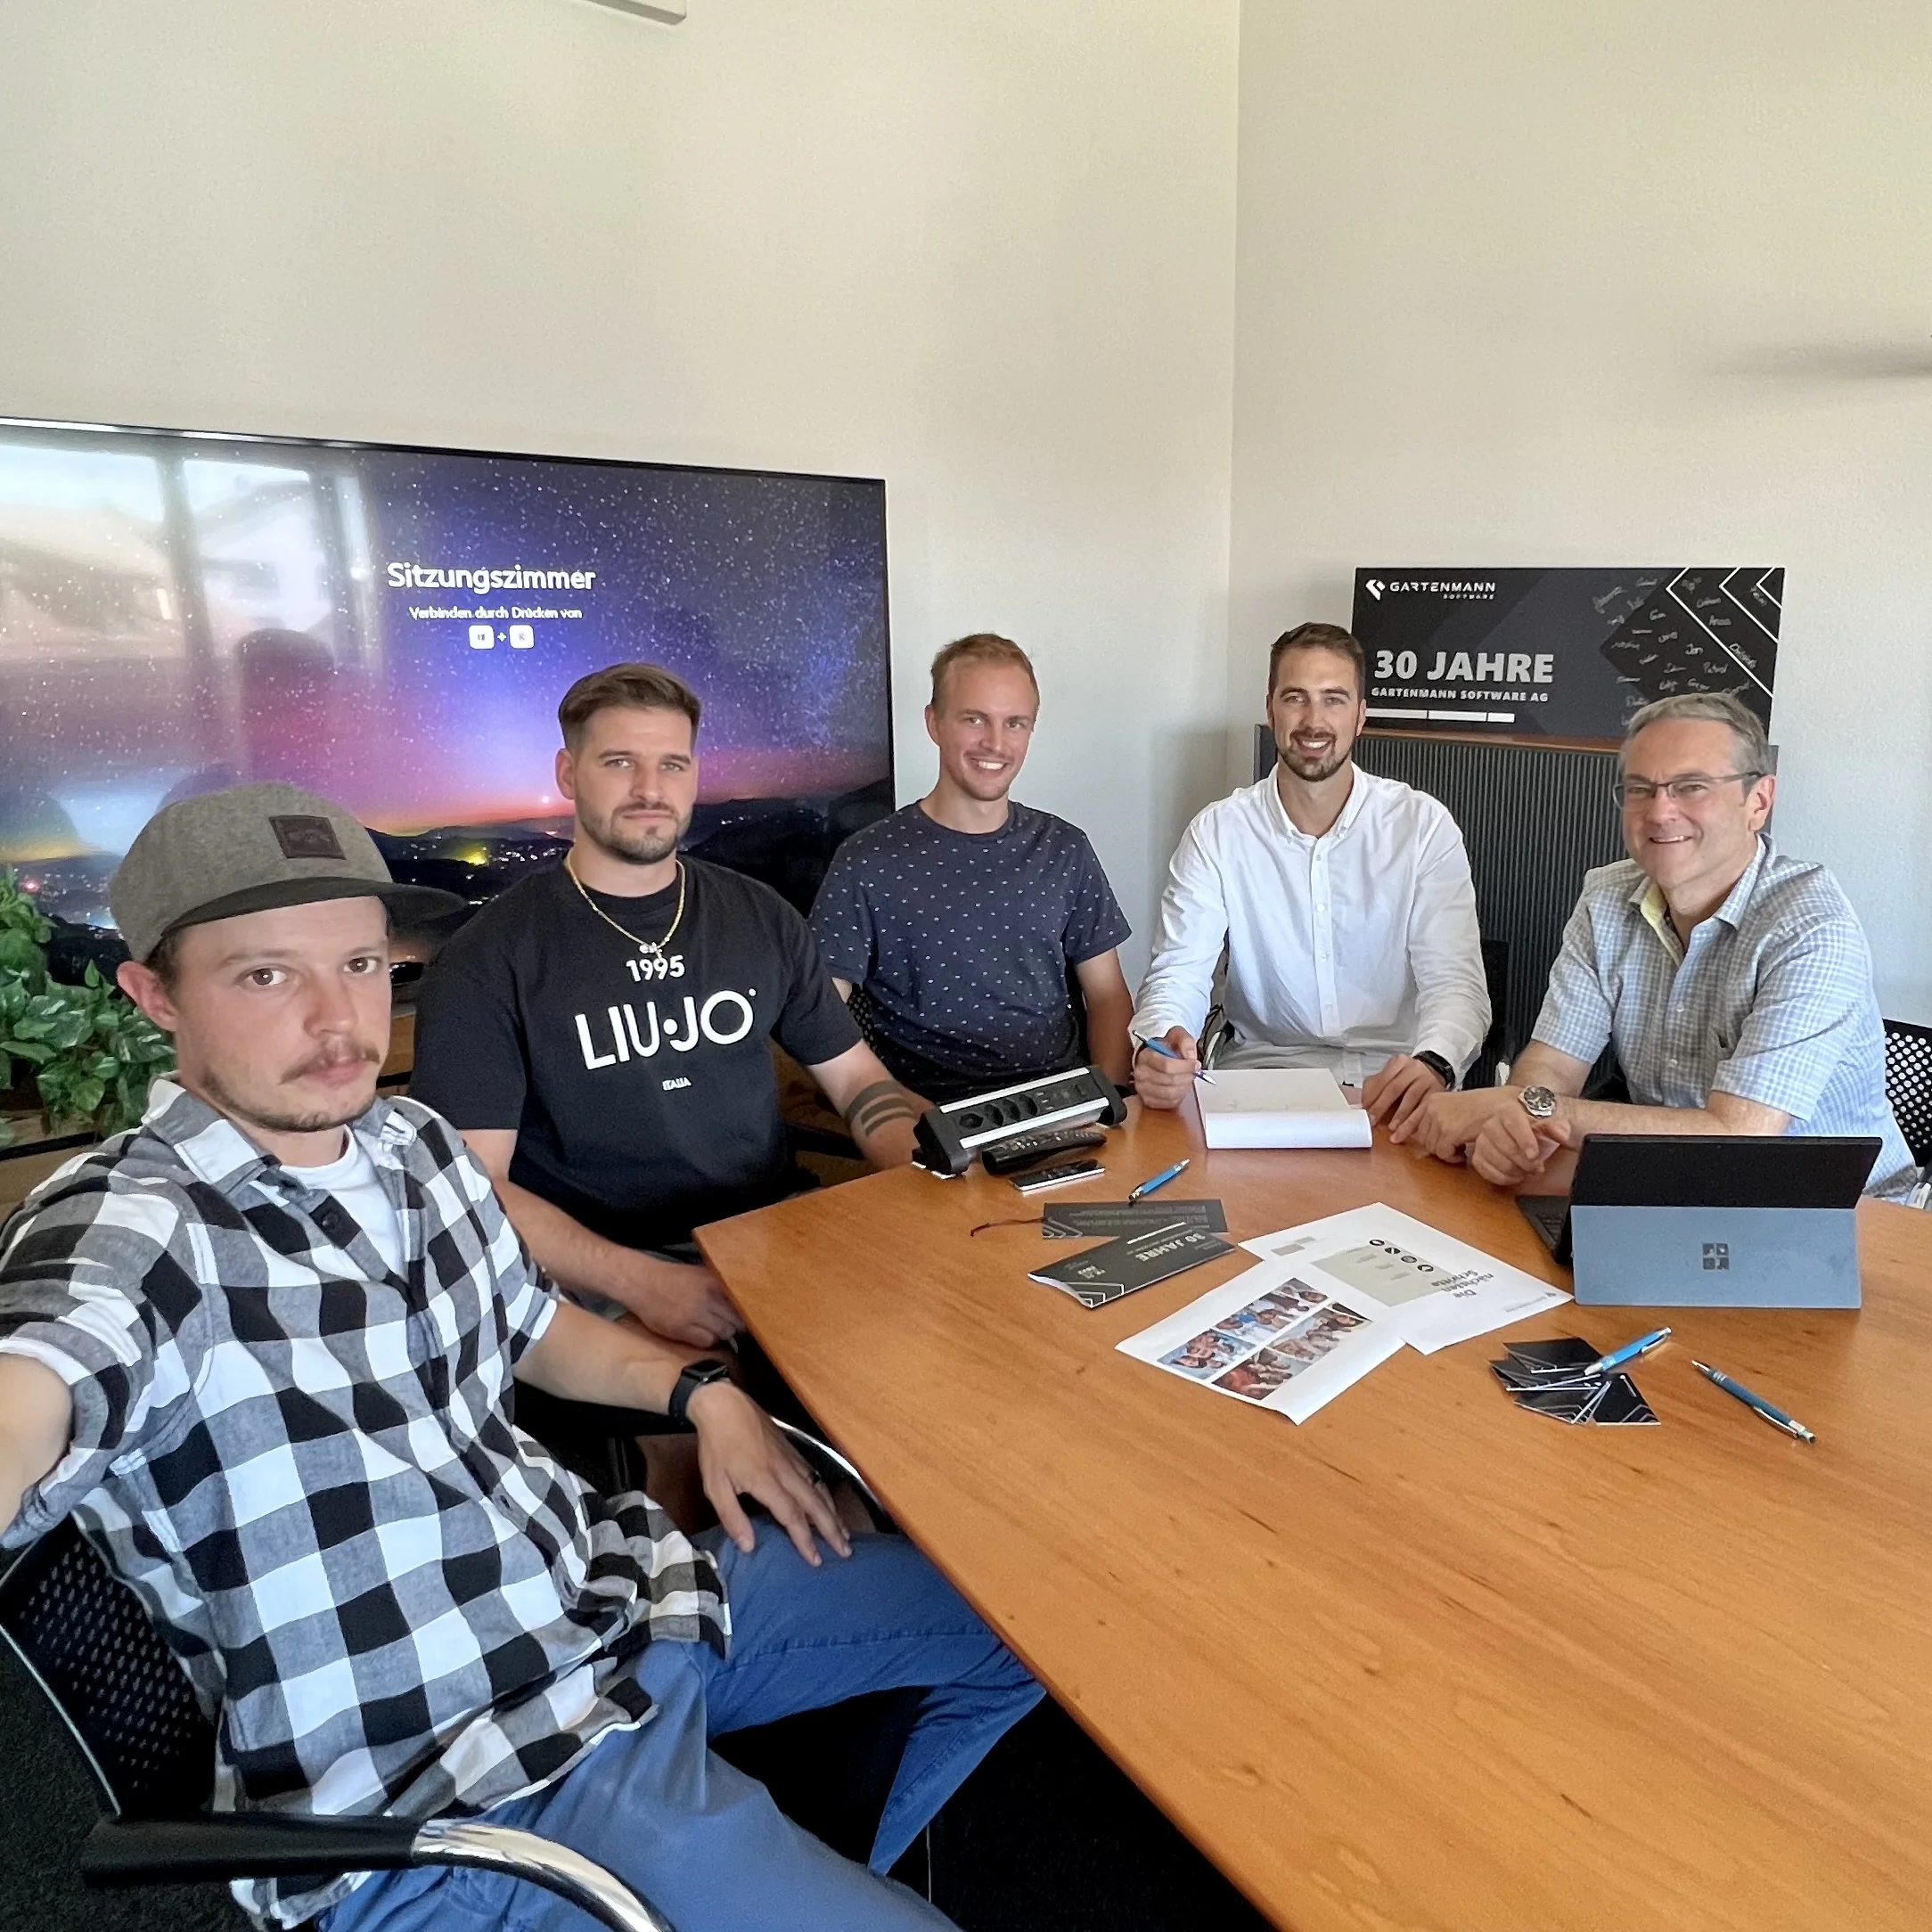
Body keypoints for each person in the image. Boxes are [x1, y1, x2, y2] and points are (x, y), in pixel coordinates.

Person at [0, 782, 1038, 1932]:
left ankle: (816, 1878)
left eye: (360, 964)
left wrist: (702, 1394)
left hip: (617, 1603)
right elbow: (43, 1369)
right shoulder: (133, 1227)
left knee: (1033, 1625)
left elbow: (532, 1322)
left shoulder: (409, 1143)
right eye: (264, 975)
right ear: (153, 995)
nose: (337, 1019)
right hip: (476, 1782)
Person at [411, 664, 926, 1354]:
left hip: (774, 1231)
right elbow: (473, 1187)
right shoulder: (487, 958)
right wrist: (642, 1282)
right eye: (619, 762)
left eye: (672, 765)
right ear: (568, 774)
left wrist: (924, 1169)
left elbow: (857, 1080)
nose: (650, 789)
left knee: (936, 1337)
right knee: (748, 1403)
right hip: (601, 1268)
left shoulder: (759, 916)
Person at [1396, 692, 1916, 1196]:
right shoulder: (1606, 898)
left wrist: (1523, 1108)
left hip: (1846, 1214)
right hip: (1671, 1189)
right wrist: (1518, 1139)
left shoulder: (1811, 928)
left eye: (1692, 787)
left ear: (1757, 802)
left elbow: (1740, 1135)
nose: (1660, 811)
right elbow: (1553, 1066)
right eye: (1640, 789)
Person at [1131, 621, 1489, 1128]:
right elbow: (1178, 972)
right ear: (1270, 709)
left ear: (1361, 716)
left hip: (1396, 1081)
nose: (1313, 720)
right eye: (1295, 697)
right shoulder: (1218, 832)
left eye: (1334, 699)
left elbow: (1456, 983)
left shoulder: (1421, 826)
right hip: (1261, 1080)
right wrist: (1160, 1043)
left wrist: (1435, 1063)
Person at [810, 634, 1134, 1100]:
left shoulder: (1064, 849)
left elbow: (1107, 997)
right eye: (974, 719)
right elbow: (819, 1017)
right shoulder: (867, 860)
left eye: (1015, 723)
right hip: (929, 1116)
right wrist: (889, 1114)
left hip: (1062, 1104)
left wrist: (1113, 1103)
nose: (996, 743)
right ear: (934, 723)